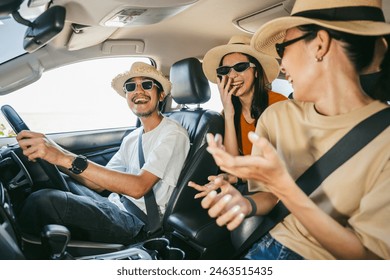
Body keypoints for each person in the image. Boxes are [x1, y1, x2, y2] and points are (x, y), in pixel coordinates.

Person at [191, 0, 390, 259]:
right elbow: (268, 194)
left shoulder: (383, 138)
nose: (282, 65)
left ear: (320, 44)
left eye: (282, 48)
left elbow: (369, 261)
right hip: (267, 243)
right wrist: (246, 203)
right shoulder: (277, 117)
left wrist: (285, 188)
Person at [16, 62, 190, 245]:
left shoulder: (173, 134)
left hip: (136, 221)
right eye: (131, 87)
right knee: (57, 182)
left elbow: (138, 187)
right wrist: (54, 155)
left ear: (161, 94)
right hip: (114, 203)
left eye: (147, 85)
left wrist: (61, 156)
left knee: (44, 201)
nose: (138, 91)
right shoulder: (133, 137)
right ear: (127, 96)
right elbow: (97, 185)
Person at [202, 35, 286, 157]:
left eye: (240, 67)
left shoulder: (279, 105)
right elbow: (233, 162)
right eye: (225, 70)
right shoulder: (227, 112)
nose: (232, 76)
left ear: (256, 72)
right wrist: (229, 114)